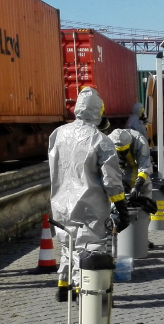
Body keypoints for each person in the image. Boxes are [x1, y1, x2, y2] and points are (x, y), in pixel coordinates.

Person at [48, 87, 130, 301]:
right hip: (89, 205)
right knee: (88, 249)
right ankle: (82, 292)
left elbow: (54, 169)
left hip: (60, 203)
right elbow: (111, 179)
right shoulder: (100, 139)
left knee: (67, 244)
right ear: (98, 111)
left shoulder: (58, 134)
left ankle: (63, 285)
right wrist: (121, 207)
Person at [108, 127, 153, 198]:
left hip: (140, 178)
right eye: (120, 152)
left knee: (145, 200)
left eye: (125, 151)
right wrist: (120, 182)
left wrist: (139, 183)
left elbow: (145, 165)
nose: (123, 154)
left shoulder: (139, 141)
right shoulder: (107, 143)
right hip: (121, 178)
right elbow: (108, 168)